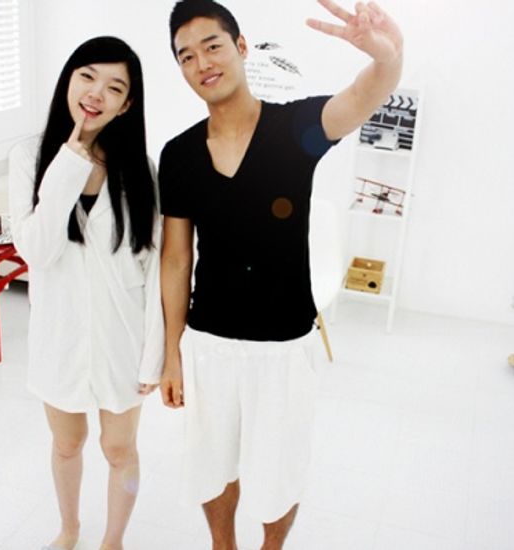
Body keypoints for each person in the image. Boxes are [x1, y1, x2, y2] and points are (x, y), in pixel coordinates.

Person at [158, 0, 402, 548]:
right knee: (211, 465)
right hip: (210, 342)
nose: (202, 63)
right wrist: (171, 352)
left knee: (279, 472)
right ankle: (223, 544)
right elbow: (175, 259)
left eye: (212, 46)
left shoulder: (296, 129)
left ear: (241, 47)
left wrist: (387, 58)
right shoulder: (178, 155)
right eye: (186, 56)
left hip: (284, 344)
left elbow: (362, 96)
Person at [8, 36, 163, 550]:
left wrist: (155, 356)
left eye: (114, 87)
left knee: (120, 449)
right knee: (67, 443)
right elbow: (36, 250)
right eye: (87, 76)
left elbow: (155, 268)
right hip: (59, 333)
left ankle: (113, 540)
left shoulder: (142, 170)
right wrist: (67, 167)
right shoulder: (29, 156)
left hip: (123, 337)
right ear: (68, 80)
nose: (96, 93)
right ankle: (69, 529)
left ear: (127, 104)